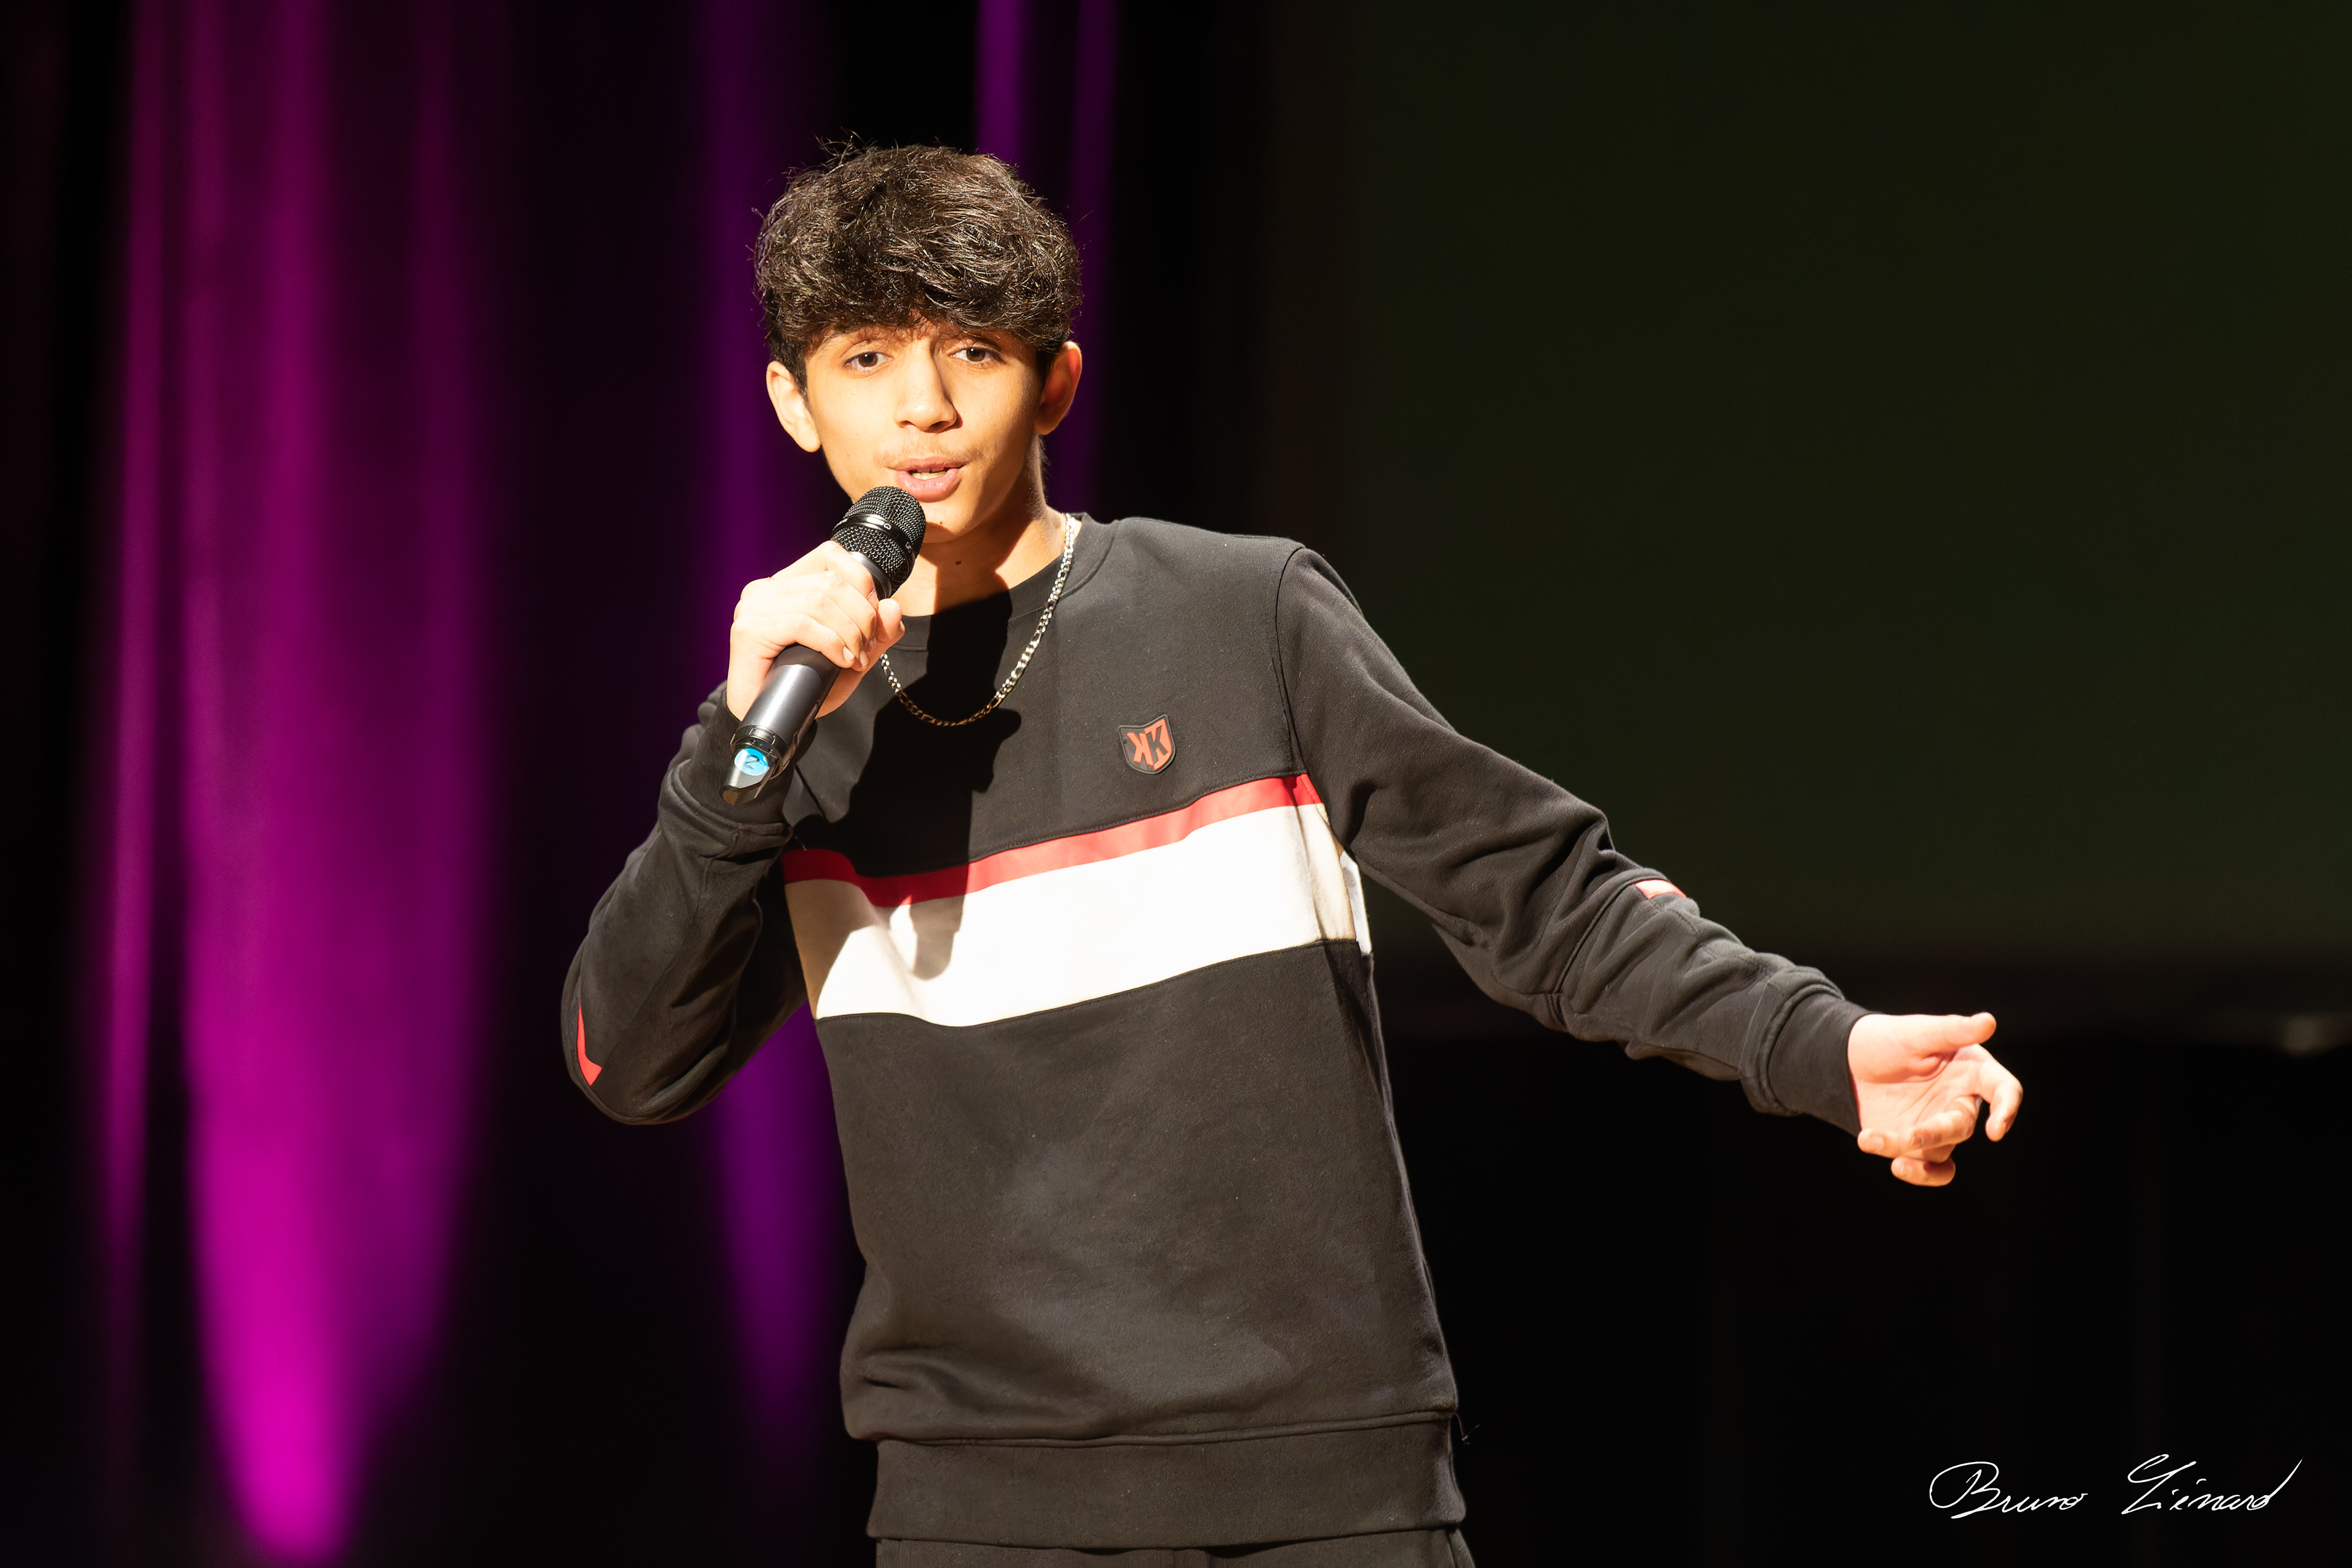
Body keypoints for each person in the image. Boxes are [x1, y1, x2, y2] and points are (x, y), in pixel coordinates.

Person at [562, 144, 2024, 1566]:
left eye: (975, 352)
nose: (924, 407)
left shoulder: (1240, 612)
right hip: (982, 1503)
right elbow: (627, 1058)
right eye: (868, 357)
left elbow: (1544, 898)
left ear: (1056, 381)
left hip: (1326, 1479)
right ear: (793, 401)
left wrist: (1819, 1044)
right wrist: (736, 750)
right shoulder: (787, 731)